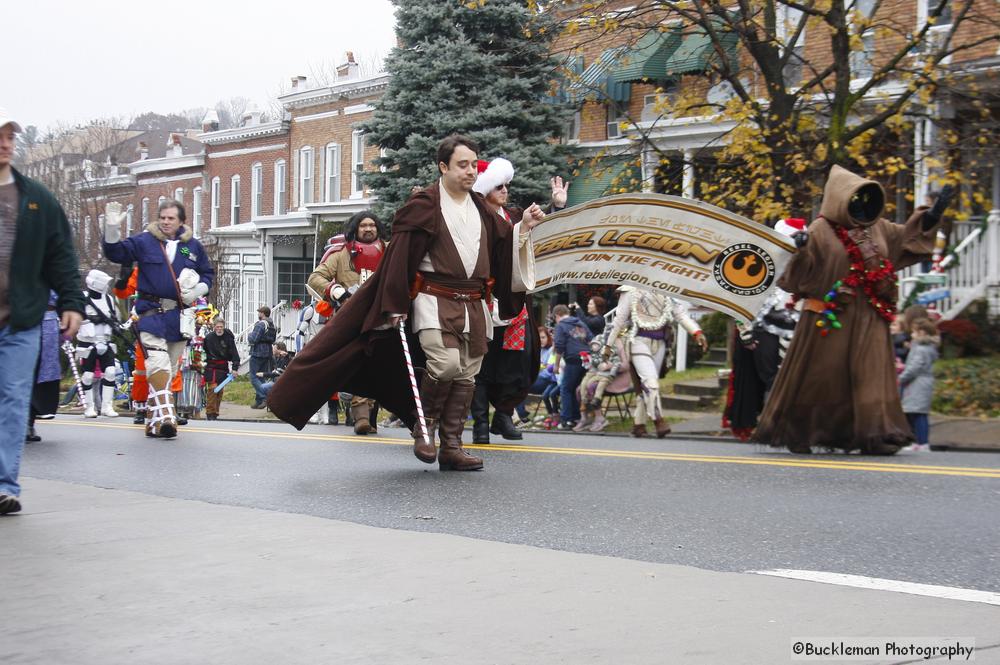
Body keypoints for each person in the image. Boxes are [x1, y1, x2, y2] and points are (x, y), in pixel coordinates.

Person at [267, 134, 544, 472]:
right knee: (444, 365)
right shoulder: (424, 205)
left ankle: (452, 446)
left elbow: (502, 248)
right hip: (433, 300)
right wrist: (393, 303)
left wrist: (524, 228)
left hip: (473, 304)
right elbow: (398, 259)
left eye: (474, 164)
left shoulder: (482, 210)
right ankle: (423, 427)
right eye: (462, 165)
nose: (471, 171)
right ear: (443, 167)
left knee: (468, 373)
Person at [753, 166, 950, 455]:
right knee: (821, 381)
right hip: (828, 318)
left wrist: (931, 216)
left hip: (871, 316)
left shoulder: (878, 228)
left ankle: (875, 434)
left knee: (872, 378)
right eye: (855, 199)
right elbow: (794, 278)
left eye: (866, 199)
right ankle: (802, 432)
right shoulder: (820, 229)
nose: (861, 206)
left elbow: (908, 238)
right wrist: (800, 250)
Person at [0, 111, 85, 515]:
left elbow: (61, 254)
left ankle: (5, 486)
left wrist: (71, 301)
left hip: (21, 318)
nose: (4, 144)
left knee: (14, 399)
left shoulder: (35, 198)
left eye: (9, 137)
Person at [468, 158, 565, 443]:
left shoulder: (512, 214)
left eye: (506, 185)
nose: (505, 190)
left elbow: (536, 232)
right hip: (483, 300)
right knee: (481, 365)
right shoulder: (474, 215)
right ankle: (480, 425)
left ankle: (503, 415)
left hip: (515, 304)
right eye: (498, 185)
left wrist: (556, 207)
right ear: (484, 188)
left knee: (514, 362)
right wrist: (521, 228)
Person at [102, 198, 214, 439]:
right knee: (157, 365)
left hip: (179, 316)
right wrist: (111, 230)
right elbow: (115, 252)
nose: (165, 222)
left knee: (170, 369)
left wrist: (199, 290)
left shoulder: (193, 247)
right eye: (162, 217)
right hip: (151, 314)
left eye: (171, 218)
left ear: (181, 221)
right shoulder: (144, 242)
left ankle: (154, 424)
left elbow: (207, 273)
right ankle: (166, 417)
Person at [307, 210, 388, 434]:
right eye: (363, 225)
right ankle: (361, 416)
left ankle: (371, 416)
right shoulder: (341, 254)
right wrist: (337, 291)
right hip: (352, 318)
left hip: (384, 317)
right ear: (356, 229)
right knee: (360, 364)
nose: (369, 229)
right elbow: (315, 278)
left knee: (380, 367)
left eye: (372, 225)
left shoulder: (389, 250)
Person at [722, 218, 803, 441]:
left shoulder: (804, 266)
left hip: (795, 329)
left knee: (789, 377)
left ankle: (785, 424)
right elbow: (742, 296)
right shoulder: (762, 262)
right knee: (772, 378)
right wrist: (746, 333)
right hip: (764, 329)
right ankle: (772, 424)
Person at [603, 287, 708, 438]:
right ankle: (659, 421)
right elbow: (619, 320)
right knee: (650, 382)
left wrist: (696, 332)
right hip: (638, 341)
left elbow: (680, 314)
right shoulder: (630, 290)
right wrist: (608, 345)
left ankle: (639, 425)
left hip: (660, 344)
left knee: (645, 386)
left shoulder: (666, 290)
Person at [76, 269, 124, 418]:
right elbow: (75, 317)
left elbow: (116, 318)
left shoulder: (109, 299)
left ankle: (106, 406)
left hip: (105, 341)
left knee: (110, 372)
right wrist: (91, 318)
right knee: (88, 375)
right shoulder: (82, 298)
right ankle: (89, 407)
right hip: (88, 342)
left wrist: (116, 326)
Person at [26, 292, 63, 443]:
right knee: (20, 373)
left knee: (40, 377)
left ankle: (29, 423)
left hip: (49, 324)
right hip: (21, 318)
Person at [551, 304, 594, 429]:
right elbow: (591, 339)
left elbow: (559, 346)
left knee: (566, 389)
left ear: (557, 315)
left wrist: (556, 365)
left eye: (555, 318)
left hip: (573, 358)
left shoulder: (561, 325)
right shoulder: (580, 323)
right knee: (576, 389)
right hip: (587, 358)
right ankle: (578, 417)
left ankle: (567, 420)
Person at [899, 317, 940, 452]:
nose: (912, 335)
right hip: (921, 382)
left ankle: (922, 442)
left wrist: (901, 377)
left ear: (921, 332)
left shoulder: (921, 349)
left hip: (918, 383)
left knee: (918, 413)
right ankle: (918, 442)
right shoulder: (926, 347)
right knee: (915, 412)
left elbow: (915, 367)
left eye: (914, 332)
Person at [575, 335, 622, 432]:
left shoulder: (618, 345)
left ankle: (599, 418)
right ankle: (585, 417)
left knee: (592, 387)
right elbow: (595, 363)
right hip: (597, 374)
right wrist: (587, 360)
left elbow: (623, 365)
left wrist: (610, 366)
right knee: (579, 389)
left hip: (614, 377)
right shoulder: (600, 350)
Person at [515, 325, 558, 426]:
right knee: (518, 385)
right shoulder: (537, 350)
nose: (541, 340)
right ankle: (521, 415)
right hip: (535, 379)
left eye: (543, 337)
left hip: (546, 380)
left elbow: (549, 372)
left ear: (548, 337)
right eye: (538, 338)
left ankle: (522, 415)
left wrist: (537, 371)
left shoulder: (552, 351)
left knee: (522, 385)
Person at [202, 318, 239, 421]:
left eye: (221, 327)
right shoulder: (208, 338)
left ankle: (215, 412)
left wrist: (235, 368)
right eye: (217, 327)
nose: (219, 329)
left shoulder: (228, 338)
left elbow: (235, 354)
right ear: (214, 327)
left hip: (223, 367)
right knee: (212, 389)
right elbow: (203, 352)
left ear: (224, 327)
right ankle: (210, 412)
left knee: (220, 390)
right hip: (211, 366)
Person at [247, 306, 277, 409]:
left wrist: (249, 335)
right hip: (267, 352)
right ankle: (259, 401)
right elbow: (273, 339)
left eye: (259, 312)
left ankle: (265, 397)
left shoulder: (261, 324)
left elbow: (254, 339)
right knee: (261, 377)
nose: (258, 314)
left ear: (263, 313)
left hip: (257, 352)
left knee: (253, 377)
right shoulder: (272, 324)